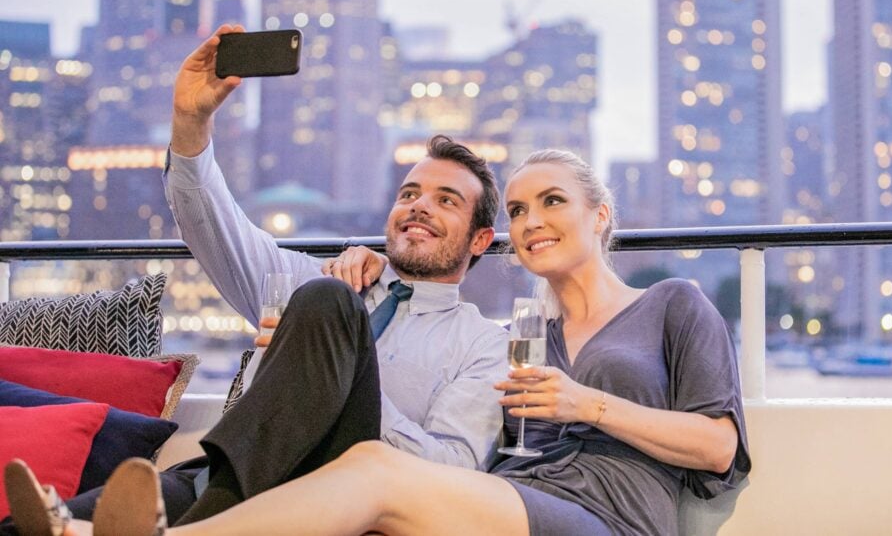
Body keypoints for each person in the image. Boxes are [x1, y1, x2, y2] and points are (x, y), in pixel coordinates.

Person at [8, 148, 750, 535]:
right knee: (96, 505)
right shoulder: (529, 336)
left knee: (371, 466)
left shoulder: (668, 304)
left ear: (602, 215)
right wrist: (304, 348)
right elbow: (215, 228)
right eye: (522, 207)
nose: (534, 220)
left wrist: (588, 403)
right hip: (507, 497)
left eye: (552, 201)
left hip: (606, 517)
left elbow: (719, 446)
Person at [2, 25, 509, 533]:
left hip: (332, 498)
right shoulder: (316, 279)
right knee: (27, 527)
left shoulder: (482, 344)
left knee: (328, 304)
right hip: (213, 474)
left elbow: (455, 471)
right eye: (410, 193)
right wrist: (190, 117)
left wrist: (335, 372)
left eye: (446, 200)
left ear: (481, 239)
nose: (419, 205)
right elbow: (208, 221)